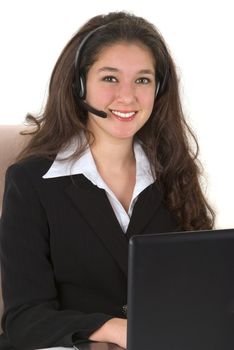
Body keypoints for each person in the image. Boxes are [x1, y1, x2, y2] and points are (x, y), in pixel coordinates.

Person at [0, 11, 215, 350]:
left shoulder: (174, 171)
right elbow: (24, 319)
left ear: (158, 90)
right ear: (78, 84)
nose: (127, 97)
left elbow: (203, 288)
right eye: (110, 78)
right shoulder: (31, 182)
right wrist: (113, 329)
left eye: (142, 80)